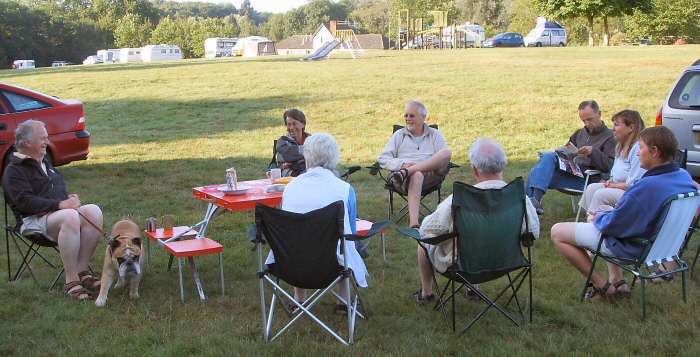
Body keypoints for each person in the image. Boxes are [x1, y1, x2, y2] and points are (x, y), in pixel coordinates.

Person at [550, 126, 697, 302]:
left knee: (558, 232)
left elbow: (616, 225)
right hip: (662, 247)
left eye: (640, 148)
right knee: (605, 213)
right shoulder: (683, 176)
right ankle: (618, 282)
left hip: (634, 247)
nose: (637, 153)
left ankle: (602, 286)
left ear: (654, 151)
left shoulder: (647, 186)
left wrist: (596, 218)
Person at [413, 138, 540, 303]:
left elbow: (427, 229)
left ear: (474, 169)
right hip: (506, 262)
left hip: (463, 267)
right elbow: (532, 232)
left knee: (423, 243)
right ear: (504, 164)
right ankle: (473, 288)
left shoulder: (459, 200)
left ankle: (427, 293)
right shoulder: (519, 198)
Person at [3, 120, 103, 301]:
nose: (46, 142)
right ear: (27, 143)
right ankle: (71, 282)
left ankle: (82, 271)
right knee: (70, 216)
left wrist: (69, 200)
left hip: (58, 216)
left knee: (93, 212)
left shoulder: (45, 163)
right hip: (32, 221)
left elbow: (56, 191)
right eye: (42, 139)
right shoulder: (13, 171)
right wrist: (60, 206)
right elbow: (25, 202)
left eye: (46, 138)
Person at [265, 133, 367, 311]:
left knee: (300, 235)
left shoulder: (290, 188)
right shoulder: (344, 189)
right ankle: (343, 300)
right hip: (332, 266)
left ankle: (299, 298)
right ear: (334, 157)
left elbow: (289, 226)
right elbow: (350, 232)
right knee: (344, 242)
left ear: (306, 156)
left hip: (289, 264)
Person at [527, 100, 616, 214]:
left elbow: (610, 166)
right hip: (573, 173)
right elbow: (569, 149)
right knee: (541, 166)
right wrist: (562, 152)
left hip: (589, 180)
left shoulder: (610, 137)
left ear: (599, 114)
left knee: (537, 172)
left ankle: (531, 209)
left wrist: (593, 152)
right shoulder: (580, 133)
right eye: (583, 120)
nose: (587, 124)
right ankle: (533, 206)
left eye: (590, 119)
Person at [378, 100, 452, 228]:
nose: (407, 119)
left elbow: (444, 157)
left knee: (446, 152)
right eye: (406, 115)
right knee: (417, 175)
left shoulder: (435, 135)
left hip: (430, 176)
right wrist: (403, 165)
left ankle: (411, 171)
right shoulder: (399, 135)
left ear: (423, 117)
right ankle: (414, 223)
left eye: (411, 115)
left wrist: (415, 168)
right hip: (402, 179)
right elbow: (383, 158)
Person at [579, 110, 646, 217]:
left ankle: (596, 225)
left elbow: (635, 184)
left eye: (616, 125)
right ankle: (591, 219)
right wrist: (610, 181)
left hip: (633, 193)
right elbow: (616, 172)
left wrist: (613, 185)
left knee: (600, 194)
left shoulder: (637, 148)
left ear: (631, 128)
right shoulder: (621, 146)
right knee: (592, 188)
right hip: (619, 187)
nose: (613, 129)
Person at [275, 109, 310, 177]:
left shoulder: (311, 139)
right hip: (290, 176)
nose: (291, 127)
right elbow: (288, 156)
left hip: (309, 173)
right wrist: (309, 152)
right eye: (289, 124)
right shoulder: (282, 141)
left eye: (294, 124)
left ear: (303, 124)